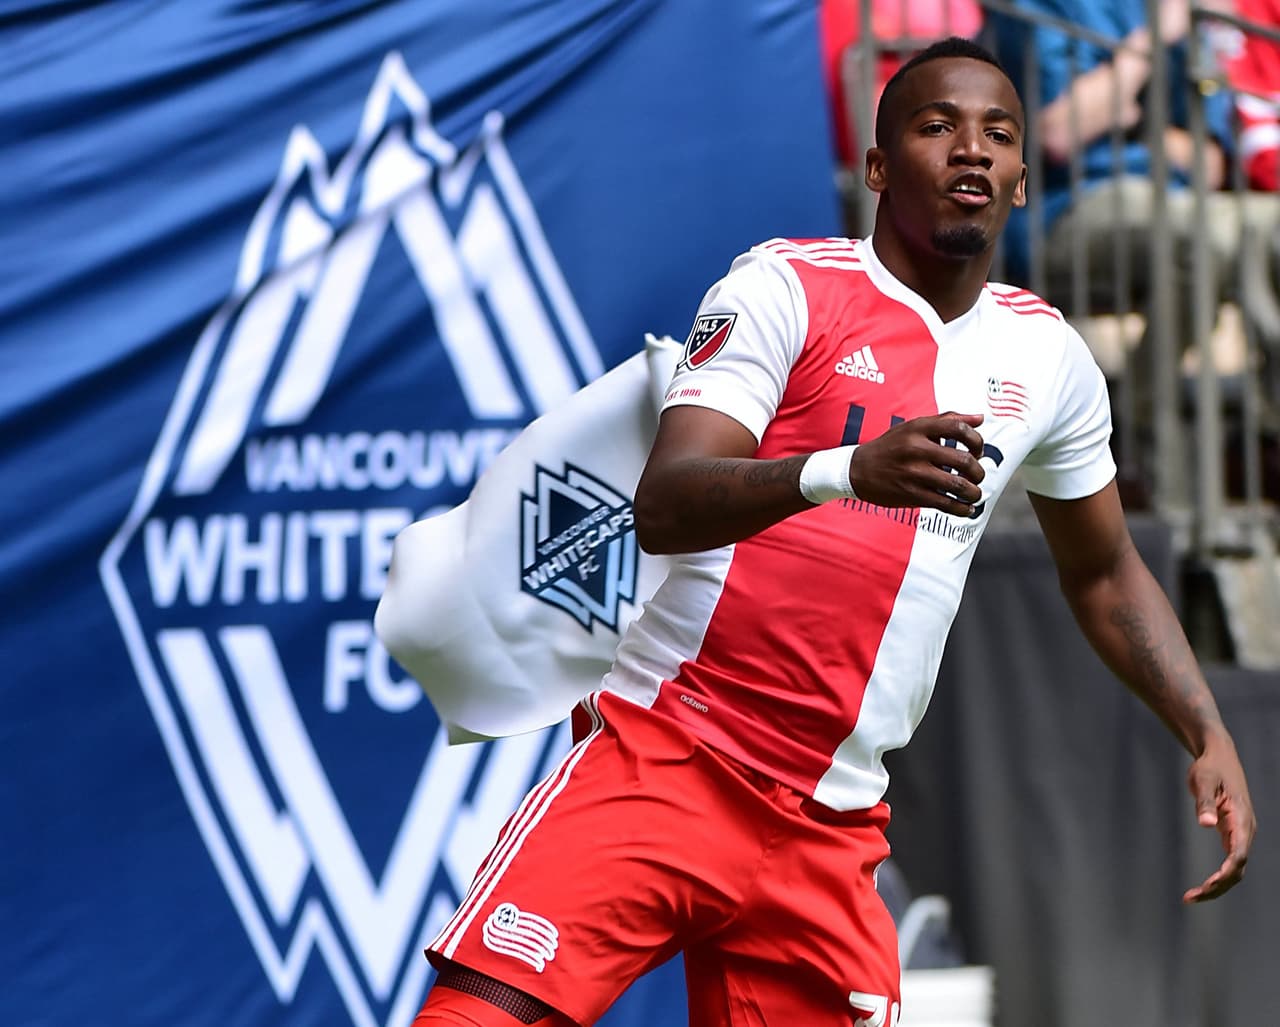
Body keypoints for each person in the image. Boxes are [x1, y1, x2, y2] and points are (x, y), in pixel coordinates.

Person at [411, 38, 1255, 1027]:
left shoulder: (1048, 356)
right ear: (876, 168)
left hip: (831, 818)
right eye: (936, 125)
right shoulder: (783, 287)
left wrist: (1201, 728)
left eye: (997, 134)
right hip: (670, 753)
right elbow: (667, 499)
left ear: (1024, 179)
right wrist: (845, 470)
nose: (970, 151)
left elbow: (1105, 570)